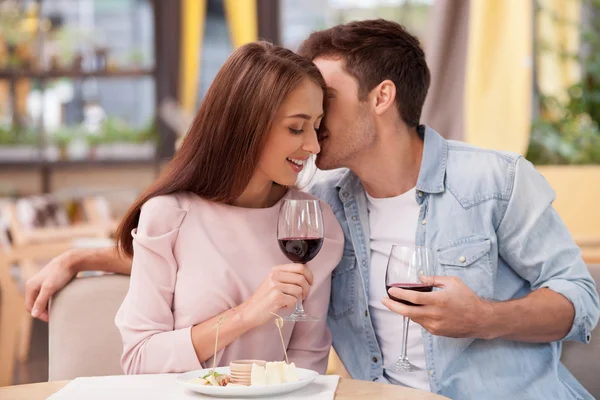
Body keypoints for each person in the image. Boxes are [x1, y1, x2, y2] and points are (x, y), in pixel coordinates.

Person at [26, 19, 599, 399]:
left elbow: (582, 301)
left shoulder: (494, 180)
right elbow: (214, 253)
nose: (313, 126)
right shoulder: (322, 208)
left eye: (322, 104)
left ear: (381, 97)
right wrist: (85, 258)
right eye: (299, 117)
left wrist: (483, 318)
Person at [67, 41, 344, 374]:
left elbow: (308, 360)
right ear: (246, 125)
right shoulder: (169, 216)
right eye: (296, 128)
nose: (313, 146)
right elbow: (139, 360)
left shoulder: (314, 224)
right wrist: (246, 314)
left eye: (316, 127)